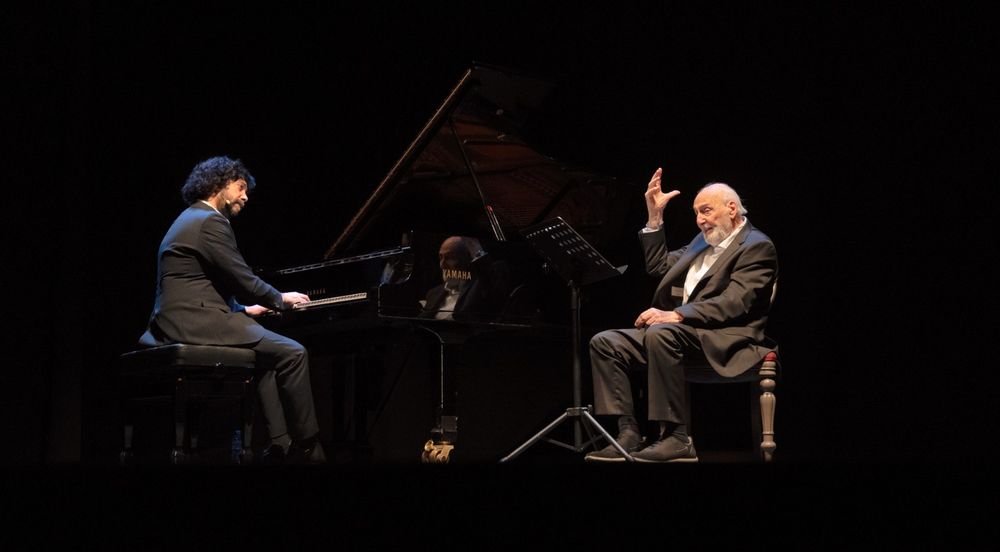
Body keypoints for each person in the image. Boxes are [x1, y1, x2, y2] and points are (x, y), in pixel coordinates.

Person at [139, 156, 325, 464]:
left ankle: (279, 443)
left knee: (265, 358)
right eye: (240, 188)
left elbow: (197, 282)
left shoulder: (189, 218)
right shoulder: (210, 221)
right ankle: (309, 446)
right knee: (294, 353)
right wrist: (280, 297)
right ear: (220, 185)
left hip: (178, 319)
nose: (245, 196)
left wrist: (243, 309)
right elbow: (242, 278)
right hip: (195, 323)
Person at [585, 168, 778, 463]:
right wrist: (654, 219)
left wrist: (677, 314)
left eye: (706, 211)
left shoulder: (756, 246)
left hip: (728, 338)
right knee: (606, 342)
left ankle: (676, 437)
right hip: (686, 335)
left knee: (663, 332)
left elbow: (736, 302)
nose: (700, 219)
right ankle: (627, 434)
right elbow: (659, 267)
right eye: (696, 213)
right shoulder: (702, 241)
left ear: (732, 208)